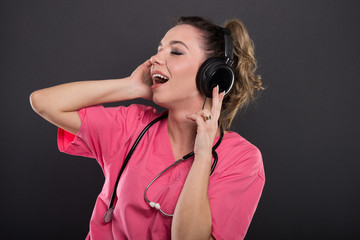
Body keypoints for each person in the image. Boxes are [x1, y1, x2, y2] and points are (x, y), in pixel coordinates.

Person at [30, 16, 265, 240]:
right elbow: (44, 102)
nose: (155, 58)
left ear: (213, 75)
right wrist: (129, 86)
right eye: (159, 49)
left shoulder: (242, 160)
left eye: (175, 51)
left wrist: (203, 157)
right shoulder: (132, 125)